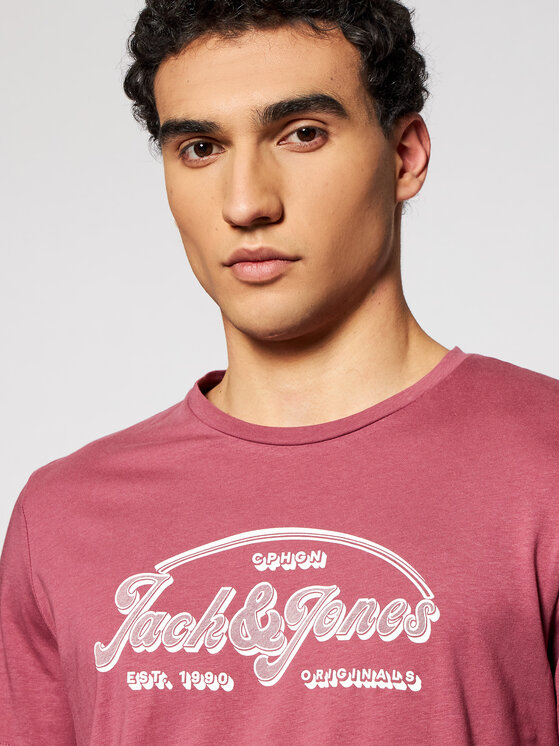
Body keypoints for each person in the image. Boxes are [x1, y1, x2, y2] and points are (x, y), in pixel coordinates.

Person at [0, 0, 557, 743]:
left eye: (302, 133)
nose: (246, 203)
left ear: (405, 156)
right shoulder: (61, 518)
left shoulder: (546, 464)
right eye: (201, 147)